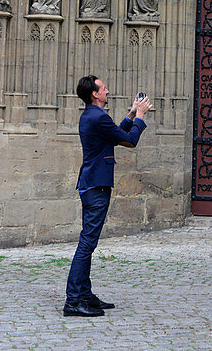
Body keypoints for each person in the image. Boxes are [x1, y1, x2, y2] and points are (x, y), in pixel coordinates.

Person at [64, 76, 152, 317]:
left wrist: (132, 114)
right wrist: (142, 116)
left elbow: (115, 135)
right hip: (96, 186)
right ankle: (73, 301)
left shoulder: (91, 116)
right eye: (103, 89)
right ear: (95, 94)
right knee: (86, 244)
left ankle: (84, 295)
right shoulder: (98, 117)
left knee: (88, 243)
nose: (108, 91)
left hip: (91, 184)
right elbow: (130, 141)